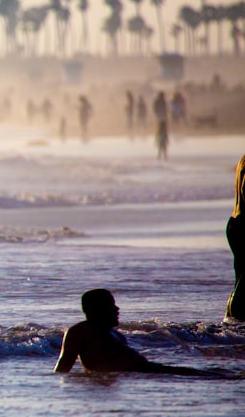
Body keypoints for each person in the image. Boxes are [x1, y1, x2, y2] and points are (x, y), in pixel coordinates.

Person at [54, 289, 214, 376]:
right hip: (135, 372)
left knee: (209, 374)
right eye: (110, 305)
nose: (117, 309)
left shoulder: (112, 333)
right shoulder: (81, 331)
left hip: (144, 372)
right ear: (93, 309)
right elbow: (63, 367)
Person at [226, 154, 245, 321]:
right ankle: (236, 314)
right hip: (244, 223)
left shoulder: (243, 161)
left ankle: (232, 314)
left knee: (241, 271)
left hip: (236, 222)